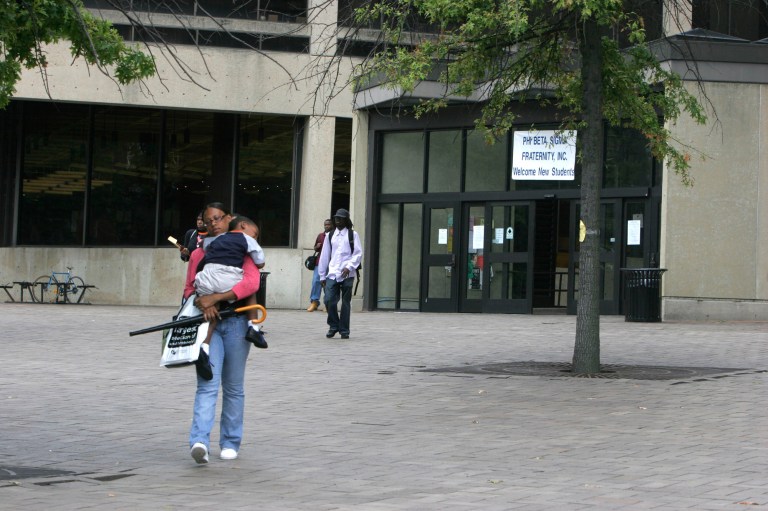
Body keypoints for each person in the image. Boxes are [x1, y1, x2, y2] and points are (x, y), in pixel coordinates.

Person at [182, 203, 261, 464]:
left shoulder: (242, 246)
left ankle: (230, 441)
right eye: (208, 220)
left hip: (237, 322)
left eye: (218, 218)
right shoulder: (198, 253)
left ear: (229, 219)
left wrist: (216, 298)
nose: (214, 223)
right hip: (208, 325)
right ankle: (199, 441)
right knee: (207, 384)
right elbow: (189, 289)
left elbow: (251, 282)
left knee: (234, 387)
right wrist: (201, 301)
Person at [317, 208, 362, 339]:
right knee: (329, 300)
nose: (337, 220)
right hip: (332, 273)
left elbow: (358, 253)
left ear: (346, 220)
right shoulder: (330, 235)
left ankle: (344, 330)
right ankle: (333, 325)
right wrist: (321, 275)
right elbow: (325, 255)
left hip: (348, 274)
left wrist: (349, 266)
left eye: (340, 218)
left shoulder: (353, 235)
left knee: (346, 303)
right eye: (336, 218)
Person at [307, 218, 332, 312]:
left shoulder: (334, 236)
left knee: (328, 283)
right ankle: (314, 302)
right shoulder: (320, 236)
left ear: (332, 225)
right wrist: (316, 247)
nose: (327, 226)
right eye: (325, 224)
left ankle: (327, 303)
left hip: (331, 263)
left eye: (328, 224)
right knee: (316, 282)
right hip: (319, 262)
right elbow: (315, 249)